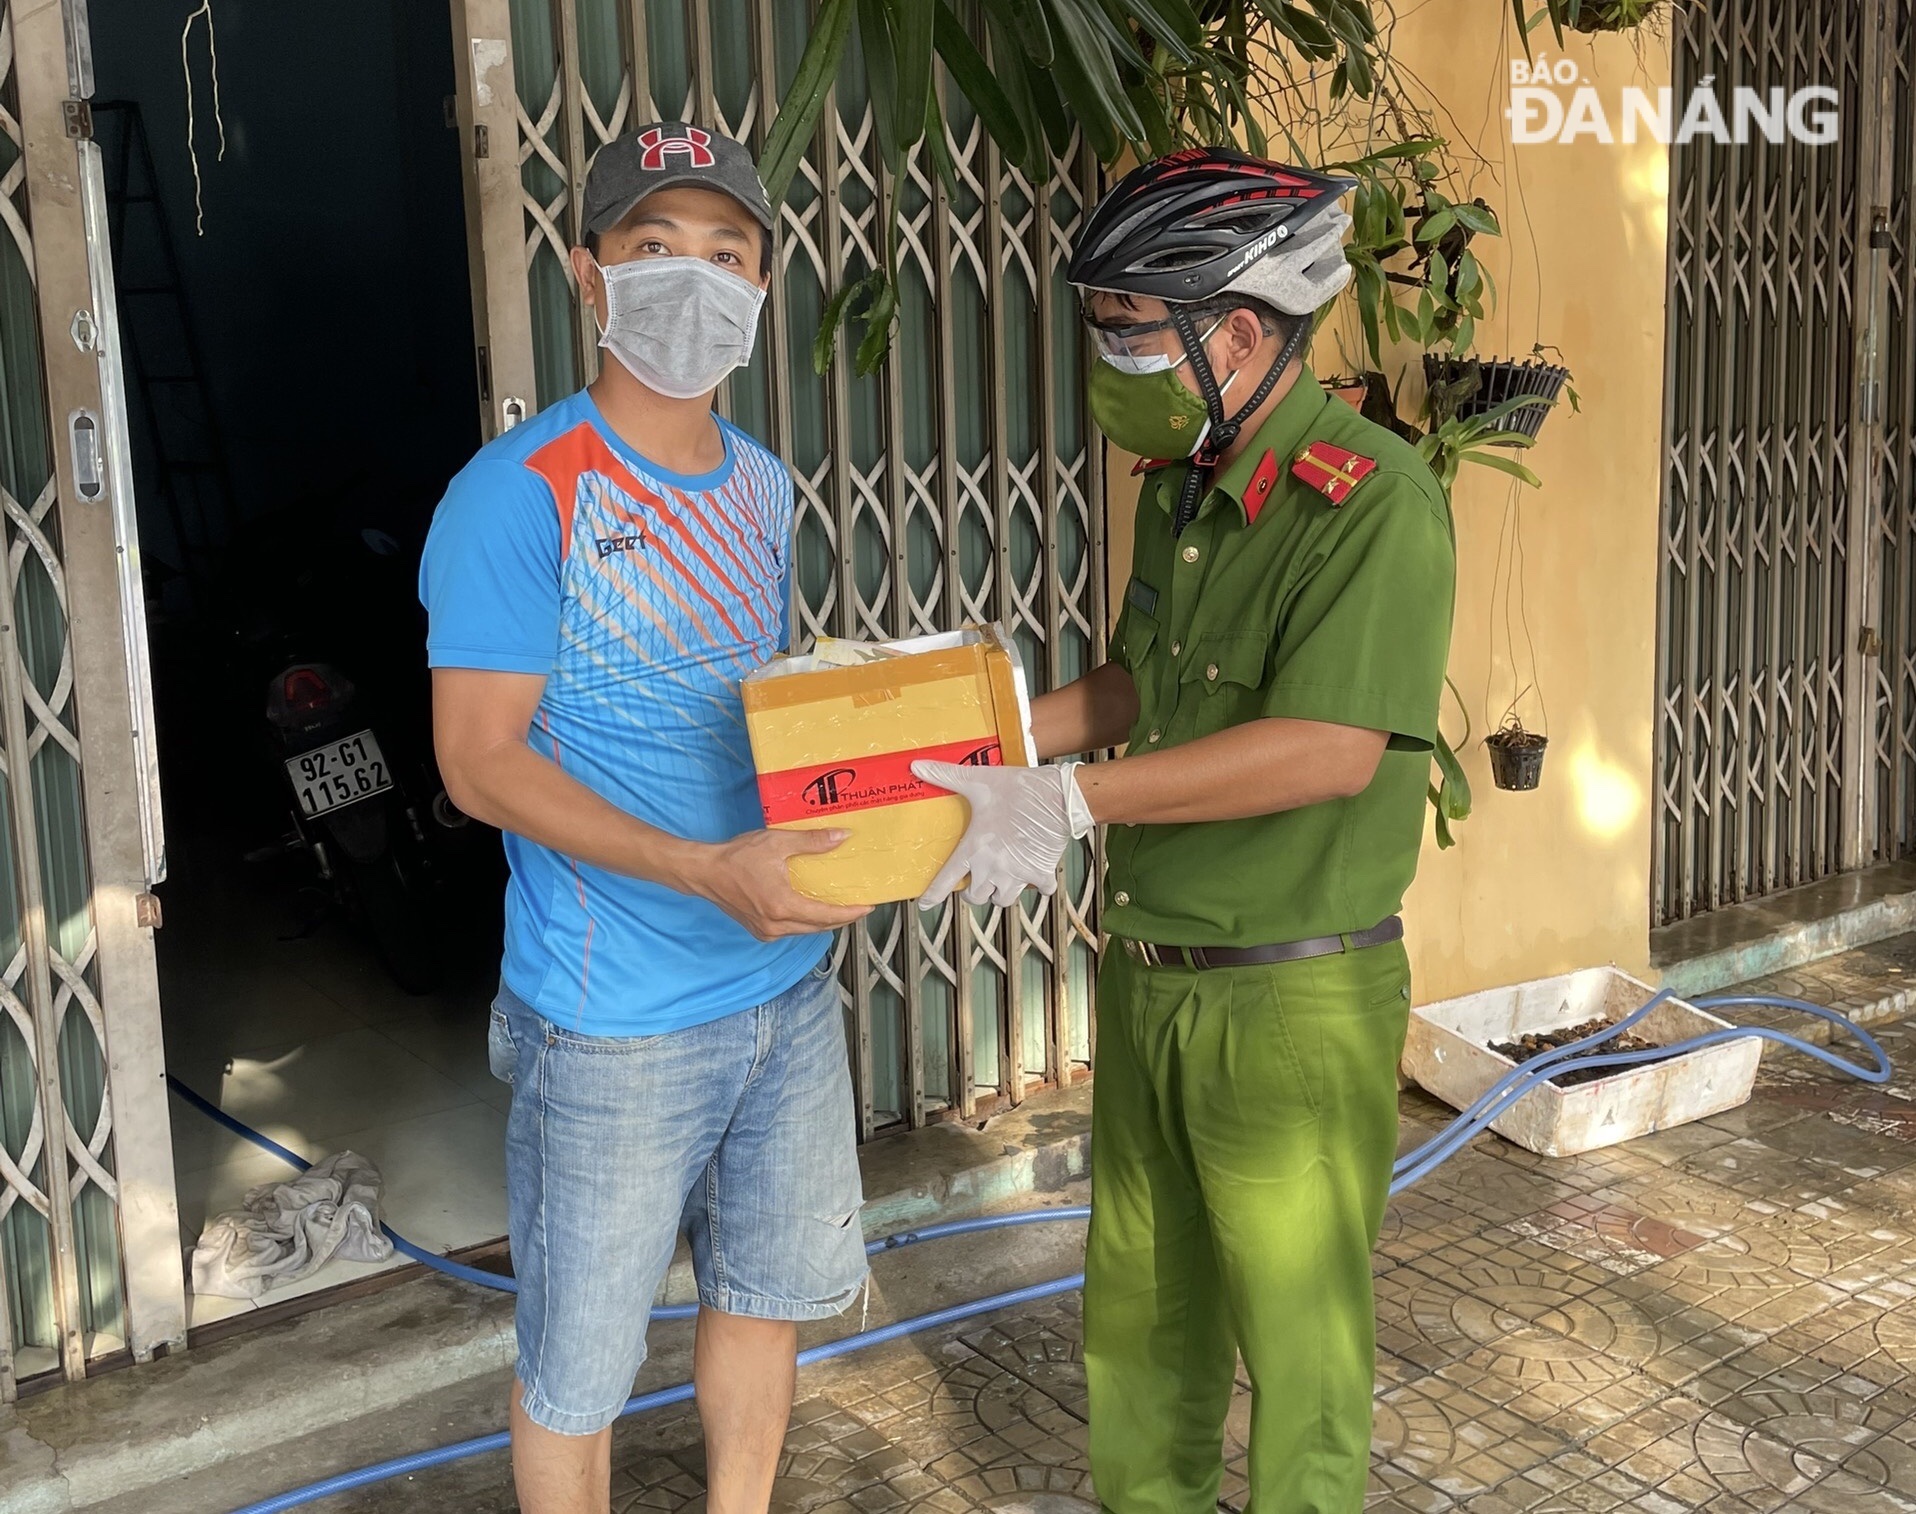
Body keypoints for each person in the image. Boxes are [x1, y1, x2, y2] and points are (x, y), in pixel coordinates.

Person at [914, 148, 1457, 1514]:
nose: (1110, 361)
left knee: (1300, 1353)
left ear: (1236, 330)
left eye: (1131, 332)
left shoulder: (1374, 498)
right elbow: (1140, 686)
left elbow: (1330, 748)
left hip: (1290, 997)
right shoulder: (1184, 490)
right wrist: (993, 744)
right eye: (1101, 325)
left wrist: (1075, 800)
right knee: (1144, 1327)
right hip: (1154, 979)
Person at [420, 122, 871, 1514]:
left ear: (764, 281)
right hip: (611, 1015)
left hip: (783, 985)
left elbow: (749, 715)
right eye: (653, 249)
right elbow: (479, 762)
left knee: (764, 1294)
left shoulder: (761, 485)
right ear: (588, 274)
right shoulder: (517, 497)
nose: (694, 280)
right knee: (578, 1367)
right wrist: (698, 867)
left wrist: (886, 765)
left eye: (724, 253)